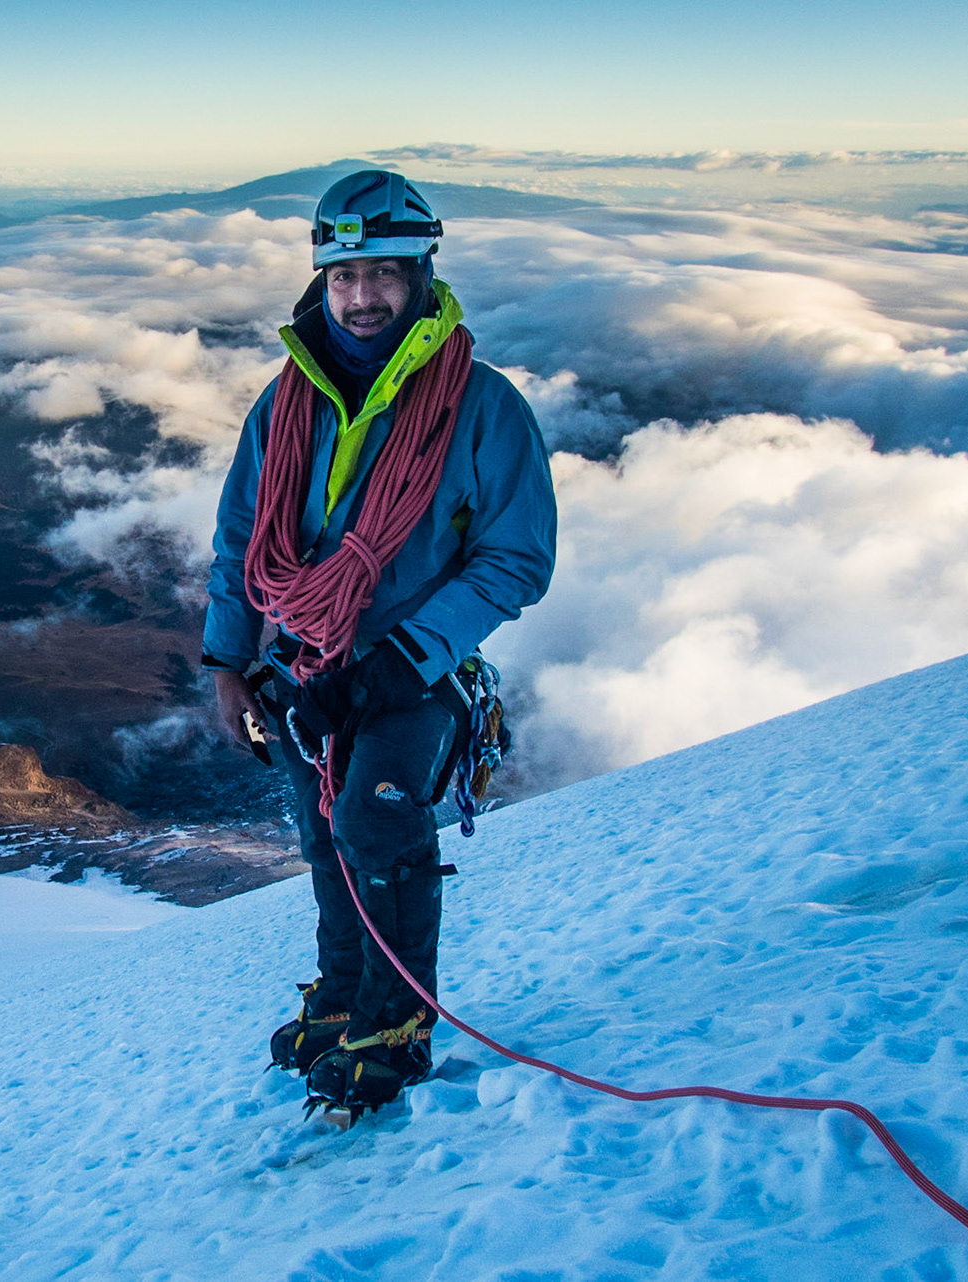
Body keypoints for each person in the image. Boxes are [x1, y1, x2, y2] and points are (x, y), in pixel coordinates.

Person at [202, 170, 557, 1115]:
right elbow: (242, 539)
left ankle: (396, 1025)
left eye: (384, 275)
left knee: (375, 820)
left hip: (418, 668)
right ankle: (344, 995)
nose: (362, 297)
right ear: (320, 282)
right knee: (324, 832)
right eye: (343, 277)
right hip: (304, 665)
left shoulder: (482, 406)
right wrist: (226, 661)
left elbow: (516, 558)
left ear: (421, 276)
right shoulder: (286, 405)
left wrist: (408, 657)